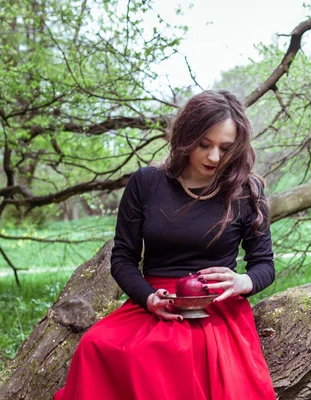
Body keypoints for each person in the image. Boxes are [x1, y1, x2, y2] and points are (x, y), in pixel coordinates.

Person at [53, 90, 277, 400]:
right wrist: (148, 298)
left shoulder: (247, 190)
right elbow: (123, 259)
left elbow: (264, 264)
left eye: (225, 148)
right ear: (186, 137)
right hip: (156, 302)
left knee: (184, 358)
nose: (214, 157)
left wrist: (243, 281)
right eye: (204, 145)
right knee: (96, 345)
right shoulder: (146, 183)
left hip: (216, 309)